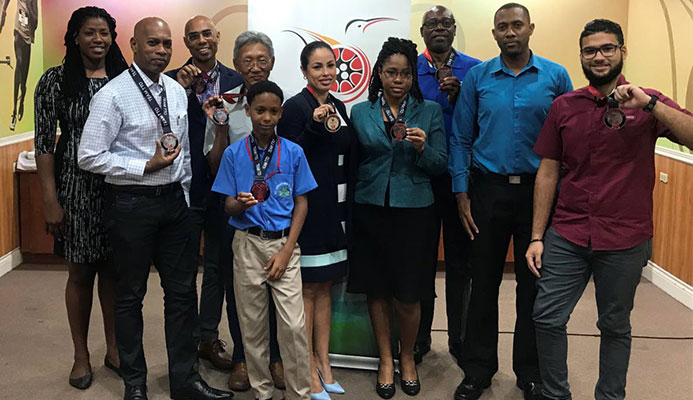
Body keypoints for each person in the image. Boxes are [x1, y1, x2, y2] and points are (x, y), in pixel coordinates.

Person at [527, 19, 693, 400]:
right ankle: (556, 394)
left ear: (622, 52)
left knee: (615, 325)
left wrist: (649, 104)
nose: (598, 56)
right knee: (547, 317)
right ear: (581, 56)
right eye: (590, 50)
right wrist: (537, 235)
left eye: (607, 48)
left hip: (624, 238)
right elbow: (548, 171)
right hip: (567, 232)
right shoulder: (564, 106)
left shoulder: (648, 100)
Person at [77, 17, 234, 400]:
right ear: (133, 45)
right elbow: (88, 156)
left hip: (174, 206)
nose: (161, 51)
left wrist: (179, 190)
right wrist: (143, 167)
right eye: (153, 43)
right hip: (131, 206)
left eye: (166, 44)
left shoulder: (177, 91)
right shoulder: (112, 95)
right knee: (129, 296)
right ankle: (135, 383)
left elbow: (180, 151)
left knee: (182, 294)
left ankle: (185, 380)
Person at [448, 3, 573, 400]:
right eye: (502, 27)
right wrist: (461, 191)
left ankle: (530, 371)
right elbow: (461, 138)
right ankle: (478, 370)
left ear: (530, 28)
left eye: (517, 25)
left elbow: (571, 137)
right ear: (494, 33)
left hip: (539, 192)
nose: (510, 32)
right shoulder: (478, 78)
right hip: (488, 190)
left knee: (533, 285)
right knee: (482, 281)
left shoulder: (555, 76)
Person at [348, 37, 447, 399]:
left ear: (413, 77)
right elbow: (355, 160)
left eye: (405, 73)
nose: (398, 80)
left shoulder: (429, 111)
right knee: (378, 289)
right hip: (371, 207)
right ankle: (385, 360)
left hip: (414, 211)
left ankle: (408, 358)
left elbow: (441, 164)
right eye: (391, 72)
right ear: (379, 73)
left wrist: (423, 149)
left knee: (408, 294)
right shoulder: (361, 112)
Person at [33, 6, 127, 390]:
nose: (98, 40)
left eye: (104, 32)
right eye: (90, 33)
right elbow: (43, 144)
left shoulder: (125, 79)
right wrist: (50, 200)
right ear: (74, 37)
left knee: (115, 273)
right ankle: (80, 355)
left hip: (119, 188)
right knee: (80, 273)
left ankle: (115, 349)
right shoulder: (55, 81)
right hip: (74, 188)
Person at [212, 79, 316, 400]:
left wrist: (287, 250)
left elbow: (302, 202)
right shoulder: (233, 154)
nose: (266, 118)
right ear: (248, 111)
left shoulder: (294, 152)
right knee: (252, 324)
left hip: (284, 245)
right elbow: (226, 203)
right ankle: (262, 392)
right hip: (247, 243)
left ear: (281, 113)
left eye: (273, 111)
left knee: (294, 326)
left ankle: (299, 392)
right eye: (260, 110)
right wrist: (238, 203)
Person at [201, 30, 285, 392]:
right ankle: (242, 359)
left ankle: (276, 358)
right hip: (236, 213)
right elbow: (214, 164)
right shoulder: (222, 105)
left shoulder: (285, 104)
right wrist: (220, 126)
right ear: (235, 65)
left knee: (277, 289)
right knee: (238, 291)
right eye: (247, 60)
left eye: (262, 59)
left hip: (277, 214)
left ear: (272, 62)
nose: (255, 66)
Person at [277, 41, 357, 400]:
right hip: (307, 212)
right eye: (317, 67)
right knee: (307, 290)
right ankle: (306, 365)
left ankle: (324, 363)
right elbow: (287, 157)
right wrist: (311, 126)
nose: (326, 72)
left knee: (326, 288)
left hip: (334, 210)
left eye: (330, 66)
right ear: (304, 71)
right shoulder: (295, 107)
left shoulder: (338, 105)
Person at [165, 15, 243, 374]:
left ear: (218, 37)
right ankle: (184, 344)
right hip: (183, 187)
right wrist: (180, 91)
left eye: (207, 34)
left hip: (222, 189)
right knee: (181, 273)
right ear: (186, 42)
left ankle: (207, 337)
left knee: (216, 267)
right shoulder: (170, 83)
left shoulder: (237, 82)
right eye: (193, 36)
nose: (201, 40)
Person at [415, 4, 481, 365]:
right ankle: (420, 338)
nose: (439, 28)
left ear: (454, 29)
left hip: (463, 180)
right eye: (431, 24)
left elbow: (483, 123)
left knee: (461, 264)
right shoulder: (411, 69)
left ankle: (460, 340)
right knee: (422, 262)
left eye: (445, 23)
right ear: (422, 32)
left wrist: (461, 97)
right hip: (422, 177)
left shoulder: (475, 70)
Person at [0, 0, 38, 131]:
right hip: (18, 28)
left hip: (27, 32)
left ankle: (22, 99)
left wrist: (32, 31)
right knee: (19, 63)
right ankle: (14, 112)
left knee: (24, 75)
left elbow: (35, 14)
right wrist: (3, 15)